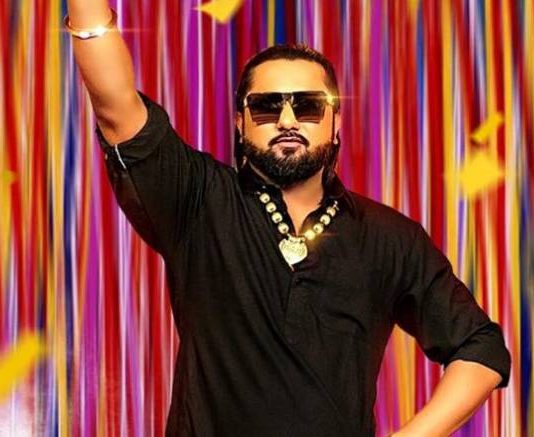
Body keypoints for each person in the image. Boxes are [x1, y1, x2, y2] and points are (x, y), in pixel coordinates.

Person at [65, 2, 511, 436]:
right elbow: (115, 106)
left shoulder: (390, 237)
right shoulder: (197, 199)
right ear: (240, 122)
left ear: (335, 122)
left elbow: (482, 349)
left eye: (309, 106)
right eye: (266, 106)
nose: (287, 120)